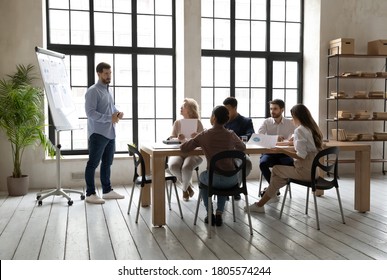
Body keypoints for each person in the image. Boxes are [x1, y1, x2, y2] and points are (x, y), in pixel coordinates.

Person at [245, 104, 323, 213]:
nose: (292, 119)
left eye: (293, 116)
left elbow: (301, 156)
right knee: (278, 177)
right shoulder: (311, 129)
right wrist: (288, 143)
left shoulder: (300, 130)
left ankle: (266, 199)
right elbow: (304, 148)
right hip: (314, 172)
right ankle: (262, 203)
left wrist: (282, 151)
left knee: (276, 169)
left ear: (297, 117)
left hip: (304, 172)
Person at [180, 105, 246, 226]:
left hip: (213, 179)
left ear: (214, 118)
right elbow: (243, 147)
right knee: (221, 181)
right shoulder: (231, 134)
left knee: (203, 180)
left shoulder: (204, 135)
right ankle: (219, 213)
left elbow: (184, 148)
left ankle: (209, 213)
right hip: (232, 180)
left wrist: (192, 139)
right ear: (226, 119)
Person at [84, 62, 125, 204]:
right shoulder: (93, 91)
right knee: (93, 164)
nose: (109, 76)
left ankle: (107, 191)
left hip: (110, 133)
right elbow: (90, 113)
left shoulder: (108, 90)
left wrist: (117, 112)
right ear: (99, 74)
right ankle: (90, 193)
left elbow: (111, 107)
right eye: (106, 73)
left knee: (107, 163)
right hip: (98, 134)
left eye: (110, 73)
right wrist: (110, 118)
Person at [258, 99, 296, 200]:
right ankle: (274, 189)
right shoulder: (266, 122)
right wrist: (275, 138)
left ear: (282, 110)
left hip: (285, 153)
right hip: (269, 153)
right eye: (271, 109)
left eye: (275, 109)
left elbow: (297, 135)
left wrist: (293, 137)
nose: (272, 111)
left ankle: (272, 189)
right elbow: (258, 138)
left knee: (290, 165)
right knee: (263, 164)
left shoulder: (290, 123)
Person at [167, 98, 204, 201]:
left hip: (193, 152)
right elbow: (171, 138)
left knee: (186, 167)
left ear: (190, 109)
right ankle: (187, 187)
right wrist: (178, 138)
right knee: (173, 166)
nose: (181, 108)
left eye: (183, 106)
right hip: (179, 151)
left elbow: (204, 140)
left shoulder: (198, 123)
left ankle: (184, 190)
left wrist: (197, 136)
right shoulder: (177, 122)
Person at [223, 96, 255, 200]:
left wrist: (235, 139)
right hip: (223, 153)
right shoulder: (222, 121)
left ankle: (236, 186)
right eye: (224, 110)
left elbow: (251, 134)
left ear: (235, 108)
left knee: (248, 164)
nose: (226, 112)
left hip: (239, 152)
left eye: (228, 109)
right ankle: (227, 188)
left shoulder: (246, 121)